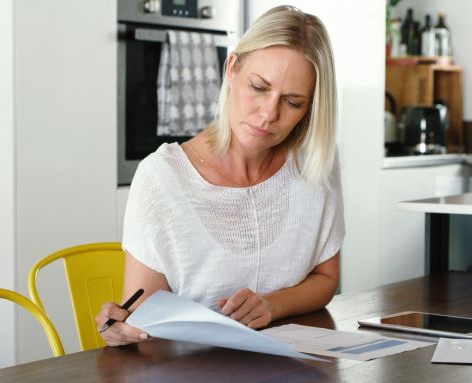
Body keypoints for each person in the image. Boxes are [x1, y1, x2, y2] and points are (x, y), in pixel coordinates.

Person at [95, 5, 344, 347]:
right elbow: (143, 312)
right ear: (232, 68)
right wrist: (123, 328)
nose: (268, 114)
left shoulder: (316, 164)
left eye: (293, 102)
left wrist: (272, 305)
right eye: (258, 87)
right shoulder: (162, 177)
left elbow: (327, 277)